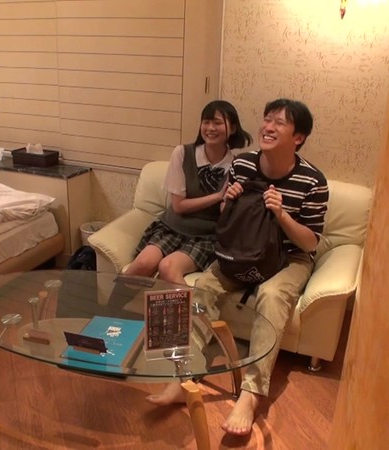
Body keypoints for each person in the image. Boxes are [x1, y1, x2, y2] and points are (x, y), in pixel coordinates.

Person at [145, 98, 329, 436]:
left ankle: (251, 394)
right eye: (267, 119)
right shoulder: (243, 164)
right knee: (204, 287)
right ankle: (183, 376)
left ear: (298, 137)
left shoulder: (312, 180)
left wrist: (281, 214)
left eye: (279, 123)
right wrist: (228, 202)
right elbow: (225, 220)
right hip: (242, 251)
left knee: (272, 295)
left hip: (289, 257)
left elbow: (310, 243)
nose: (268, 127)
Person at [124, 100, 252, 285]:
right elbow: (179, 206)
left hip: (205, 237)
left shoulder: (237, 165)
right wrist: (217, 196)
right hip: (171, 228)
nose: (210, 128)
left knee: (168, 267)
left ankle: (195, 305)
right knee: (143, 263)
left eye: (217, 122)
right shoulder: (183, 153)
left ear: (232, 128)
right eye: (206, 122)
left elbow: (228, 214)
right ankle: (111, 304)